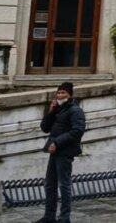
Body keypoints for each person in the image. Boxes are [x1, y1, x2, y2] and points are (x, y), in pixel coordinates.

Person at [38, 82, 86, 223]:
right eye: (58, 93)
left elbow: (78, 131)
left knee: (64, 184)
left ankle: (64, 218)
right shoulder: (58, 109)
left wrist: (57, 142)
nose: (60, 95)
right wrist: (51, 111)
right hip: (54, 151)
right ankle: (49, 216)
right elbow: (45, 128)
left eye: (63, 93)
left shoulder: (75, 110)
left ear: (69, 95)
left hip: (65, 151)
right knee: (50, 184)